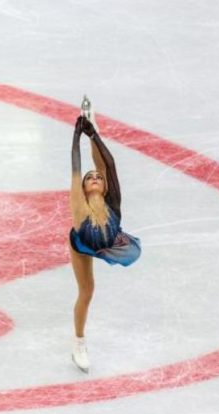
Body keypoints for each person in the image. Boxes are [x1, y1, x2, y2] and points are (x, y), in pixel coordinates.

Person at [68, 115, 141, 373]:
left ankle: (92, 122)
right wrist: (77, 136)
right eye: (91, 179)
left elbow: (108, 165)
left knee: (103, 162)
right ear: (85, 188)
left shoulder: (113, 205)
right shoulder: (80, 209)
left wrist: (93, 135)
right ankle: (79, 343)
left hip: (112, 240)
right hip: (83, 244)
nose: (96, 178)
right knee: (87, 291)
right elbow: (76, 170)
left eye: (98, 178)